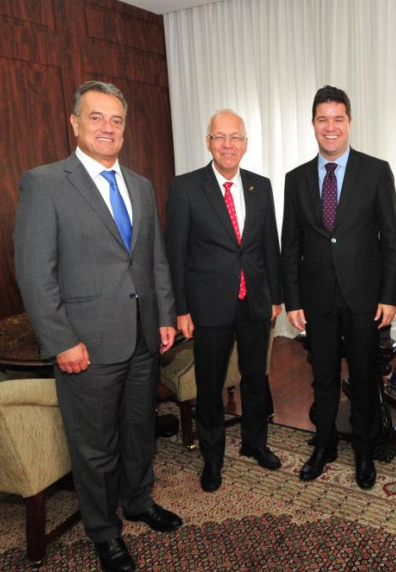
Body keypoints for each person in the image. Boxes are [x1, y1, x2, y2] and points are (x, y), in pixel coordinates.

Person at [14, 81, 182, 572]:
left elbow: (155, 261)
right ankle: (104, 533)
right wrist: (61, 340)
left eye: (116, 120)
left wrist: (166, 316)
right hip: (85, 343)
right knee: (94, 446)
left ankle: (138, 502)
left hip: (142, 337)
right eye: (96, 118)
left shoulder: (142, 185)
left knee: (138, 431)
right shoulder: (45, 183)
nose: (107, 128)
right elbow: (34, 273)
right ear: (74, 123)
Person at [281, 85, 396, 489]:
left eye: (338, 119)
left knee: (366, 377)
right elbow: (291, 244)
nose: (330, 127)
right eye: (322, 119)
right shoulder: (295, 179)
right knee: (324, 377)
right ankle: (325, 443)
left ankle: (365, 450)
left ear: (349, 122)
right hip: (316, 299)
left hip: (365, 298)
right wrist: (293, 300)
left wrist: (390, 296)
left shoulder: (375, 170)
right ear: (313, 124)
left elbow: (391, 238)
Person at [166, 110, 283, 493]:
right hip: (208, 307)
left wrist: (277, 297)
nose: (228, 145)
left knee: (254, 378)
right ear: (208, 142)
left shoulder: (260, 186)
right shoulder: (186, 188)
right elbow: (176, 254)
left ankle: (255, 443)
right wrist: (180, 309)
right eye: (220, 137)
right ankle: (212, 458)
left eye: (236, 137)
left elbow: (270, 246)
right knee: (210, 384)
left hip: (255, 304)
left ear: (246, 144)